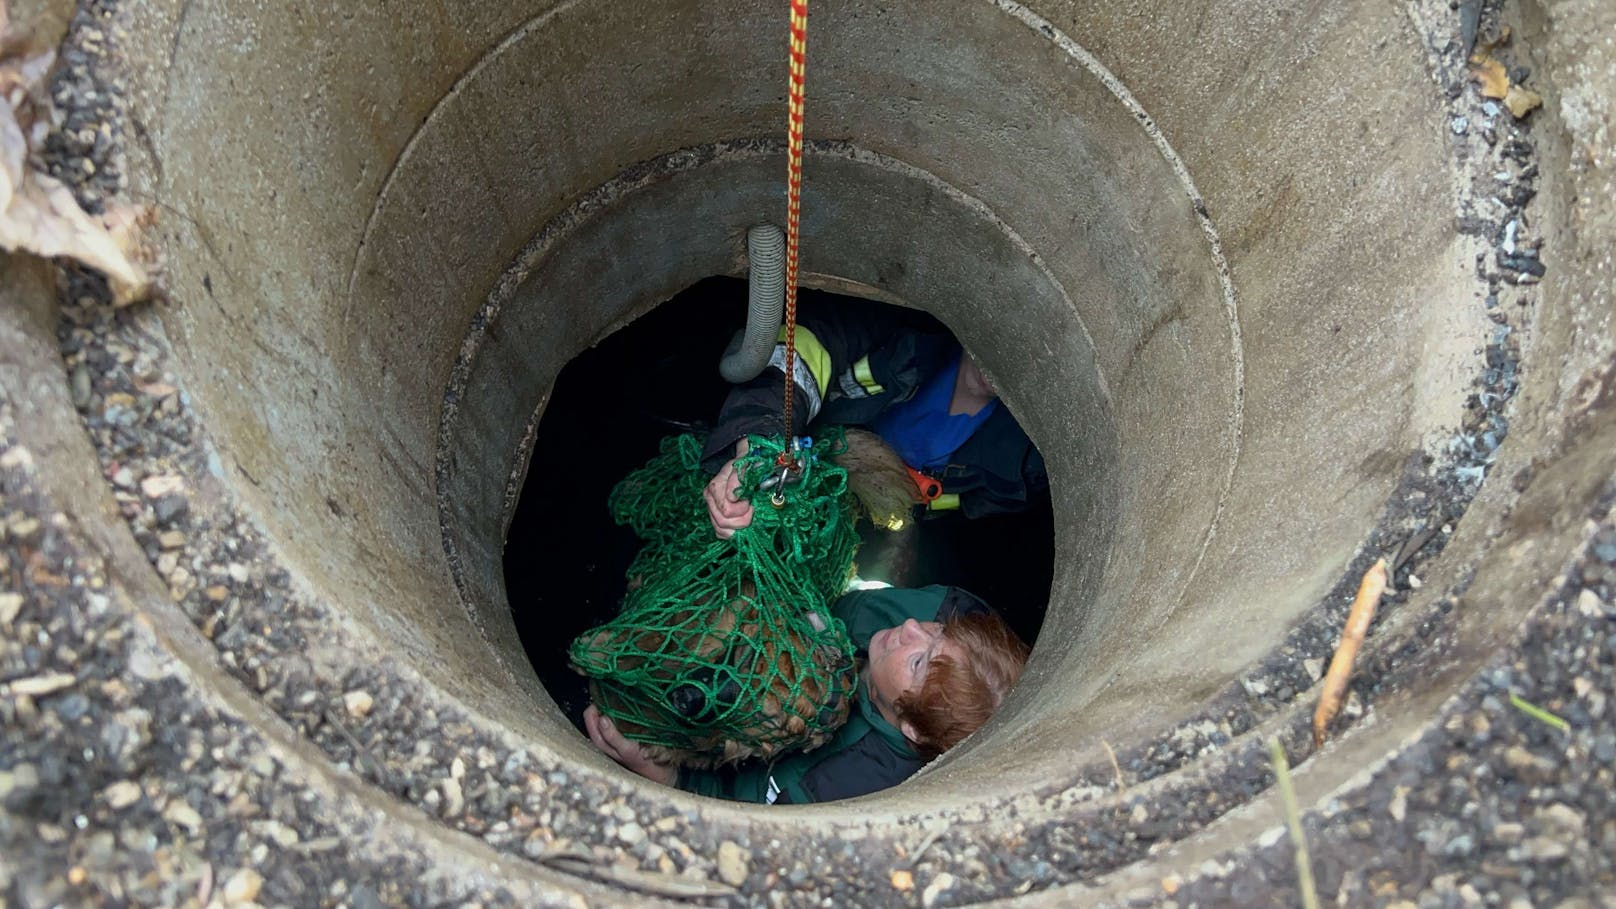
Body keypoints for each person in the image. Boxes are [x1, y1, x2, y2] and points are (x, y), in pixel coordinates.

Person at [584, 584, 1030, 804]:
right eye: (937, 633)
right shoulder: (955, 617)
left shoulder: (838, 783)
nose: (910, 630)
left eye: (918, 662)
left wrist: (666, 777)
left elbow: (742, 811)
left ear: (909, 726)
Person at [700, 295, 1047, 540]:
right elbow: (801, 347)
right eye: (1011, 342)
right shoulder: (903, 327)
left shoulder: (1023, 467)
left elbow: (952, 508)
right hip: (787, 445)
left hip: (853, 517)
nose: (1007, 364)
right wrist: (757, 446)